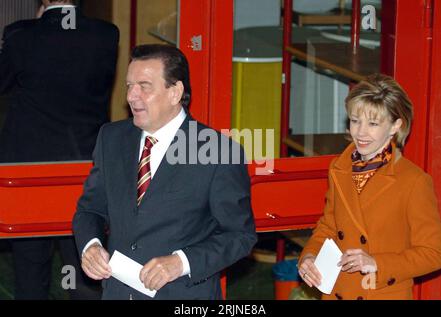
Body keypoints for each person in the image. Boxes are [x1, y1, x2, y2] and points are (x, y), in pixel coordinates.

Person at [72, 44, 257, 300]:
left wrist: (181, 262)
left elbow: (240, 236)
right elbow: (90, 209)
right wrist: (90, 246)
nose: (131, 96)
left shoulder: (218, 151)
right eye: (129, 86)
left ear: (175, 92)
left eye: (144, 86)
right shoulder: (111, 138)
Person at [0, 0, 119, 299]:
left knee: (30, 268)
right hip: (84, 165)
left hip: (28, 169)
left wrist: (33, 25)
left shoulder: (19, 35)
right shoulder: (106, 34)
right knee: (85, 262)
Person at [298, 74, 441, 300]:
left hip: (380, 293)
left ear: (396, 125)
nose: (361, 133)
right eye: (355, 121)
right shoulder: (339, 167)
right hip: (338, 290)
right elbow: (328, 226)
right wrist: (309, 257)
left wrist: (377, 262)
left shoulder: (414, 181)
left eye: (373, 124)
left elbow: (433, 253)